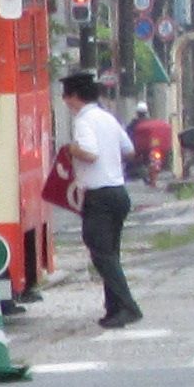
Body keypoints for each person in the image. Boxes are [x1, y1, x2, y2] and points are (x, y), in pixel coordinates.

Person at [63, 70, 143, 328]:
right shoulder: (107, 118)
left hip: (99, 195)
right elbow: (129, 150)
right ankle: (114, 308)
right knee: (111, 253)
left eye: (66, 97)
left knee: (101, 254)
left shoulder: (84, 121)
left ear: (74, 96)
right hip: (118, 192)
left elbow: (90, 153)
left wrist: (71, 149)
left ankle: (129, 306)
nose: (66, 102)